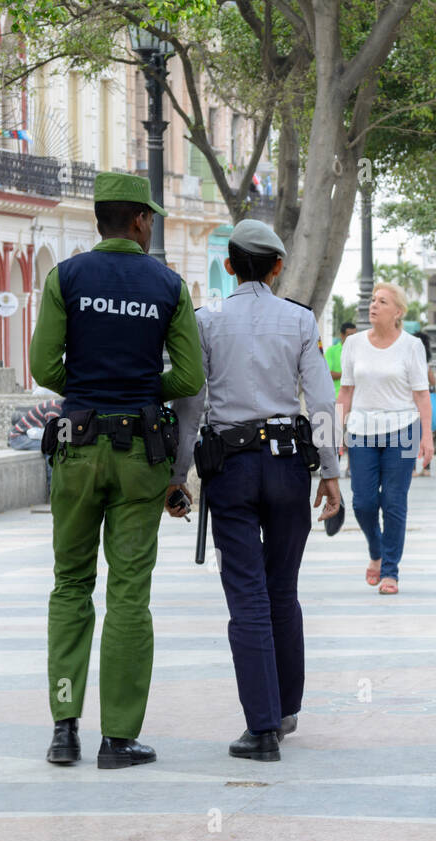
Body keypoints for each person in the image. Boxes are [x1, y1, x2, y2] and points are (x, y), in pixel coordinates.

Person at [29, 171, 205, 769]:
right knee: (130, 592)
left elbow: (43, 364)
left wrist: (88, 382)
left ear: (98, 219)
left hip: (76, 451)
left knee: (70, 585)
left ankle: (63, 728)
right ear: (139, 221)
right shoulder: (169, 285)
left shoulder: (66, 276)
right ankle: (119, 737)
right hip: (140, 456)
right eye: (150, 217)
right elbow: (189, 379)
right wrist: (137, 387)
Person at [171, 219, 342, 763]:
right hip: (291, 465)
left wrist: (179, 477)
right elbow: (320, 400)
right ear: (276, 267)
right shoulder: (298, 320)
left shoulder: (206, 320)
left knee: (246, 594)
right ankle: (287, 709)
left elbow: (191, 406)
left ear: (228, 265)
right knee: (282, 588)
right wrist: (331, 472)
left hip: (231, 470)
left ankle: (262, 727)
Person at [339, 282, 433, 595]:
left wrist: (427, 438)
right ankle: (376, 552)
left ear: (397, 312)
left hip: (404, 429)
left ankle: (390, 571)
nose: (373, 305)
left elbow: (422, 395)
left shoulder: (411, 345)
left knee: (394, 501)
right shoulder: (354, 344)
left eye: (382, 301)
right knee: (363, 502)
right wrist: (331, 434)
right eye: (372, 300)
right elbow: (345, 391)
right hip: (361, 431)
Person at [8, 395, 63, 494]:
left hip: (27, 436)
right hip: (18, 438)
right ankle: (52, 491)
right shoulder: (55, 409)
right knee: (50, 449)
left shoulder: (60, 408)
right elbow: (52, 436)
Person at [414, 330, 436, 477]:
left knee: (413, 435)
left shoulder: (409, 359)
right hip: (426, 399)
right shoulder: (425, 362)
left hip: (412, 401)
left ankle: (412, 469)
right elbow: (433, 381)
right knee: (426, 434)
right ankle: (427, 468)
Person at [324, 321, 355, 397]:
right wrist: (349, 374)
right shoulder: (331, 351)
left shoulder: (359, 351)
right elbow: (327, 374)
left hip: (356, 400)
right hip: (338, 397)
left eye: (355, 335)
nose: (353, 338)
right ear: (342, 335)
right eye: (350, 335)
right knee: (339, 409)